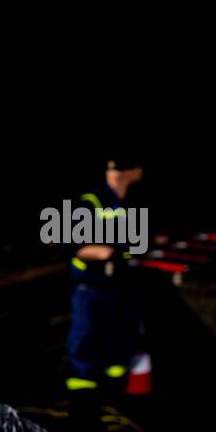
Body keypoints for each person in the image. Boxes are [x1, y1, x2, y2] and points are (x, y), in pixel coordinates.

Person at [66, 157, 145, 416]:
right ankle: (83, 410)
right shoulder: (92, 202)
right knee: (86, 345)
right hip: (91, 289)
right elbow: (73, 246)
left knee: (119, 344)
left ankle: (115, 402)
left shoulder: (130, 201)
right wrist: (101, 251)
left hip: (120, 286)